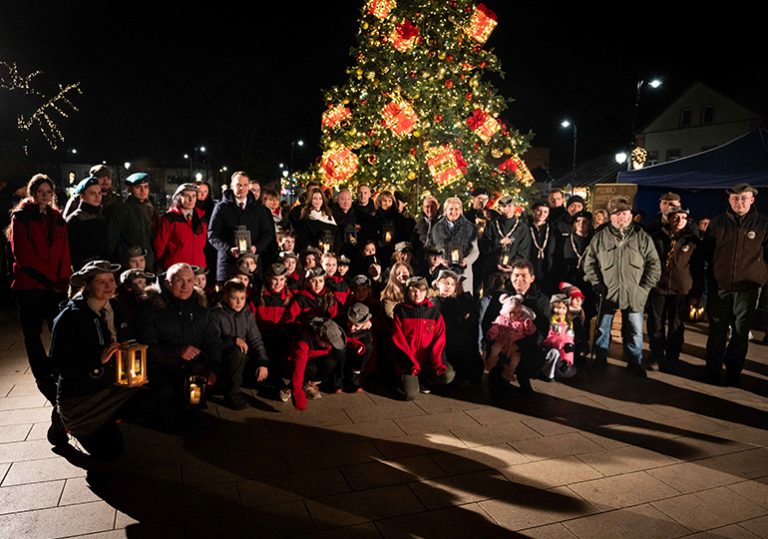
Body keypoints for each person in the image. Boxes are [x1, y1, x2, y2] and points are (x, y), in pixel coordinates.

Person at [49, 261, 153, 459]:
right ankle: (62, 423)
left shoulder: (116, 306)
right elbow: (58, 364)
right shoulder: (69, 317)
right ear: (86, 285)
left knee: (148, 400)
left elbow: (127, 337)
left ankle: (107, 421)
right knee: (110, 451)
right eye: (101, 282)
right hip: (82, 396)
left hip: (114, 385)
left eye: (111, 281)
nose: (109, 286)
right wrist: (97, 358)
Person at [8, 174, 72, 410]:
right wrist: (47, 277)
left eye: (48, 191)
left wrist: (63, 278)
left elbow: (65, 250)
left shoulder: (57, 218)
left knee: (58, 328)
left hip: (55, 285)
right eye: (41, 191)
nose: (45, 195)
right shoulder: (21, 216)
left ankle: (57, 365)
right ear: (32, 192)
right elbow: (22, 253)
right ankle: (40, 370)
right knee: (32, 332)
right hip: (31, 284)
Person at [583, 196, 661, 377]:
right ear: (611, 217)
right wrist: (596, 283)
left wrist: (644, 288)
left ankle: (634, 360)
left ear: (631, 215)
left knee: (634, 329)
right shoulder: (600, 237)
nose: (621, 218)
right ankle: (600, 357)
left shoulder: (642, 237)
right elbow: (590, 263)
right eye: (617, 214)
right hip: (608, 292)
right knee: (602, 327)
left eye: (625, 213)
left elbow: (654, 265)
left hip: (634, 293)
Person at [135, 263, 223, 413]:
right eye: (179, 281)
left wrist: (213, 369)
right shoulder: (151, 308)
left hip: (192, 367)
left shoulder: (200, 307)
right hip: (161, 367)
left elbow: (212, 341)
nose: (185, 286)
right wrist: (177, 351)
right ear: (168, 283)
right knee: (166, 396)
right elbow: (145, 347)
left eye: (189, 281)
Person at [703, 184, 768, 386]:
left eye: (743, 198)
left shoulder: (763, 224)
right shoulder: (718, 223)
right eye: (735, 198)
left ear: (752, 200)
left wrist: (760, 278)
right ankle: (712, 370)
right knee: (717, 331)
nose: (739, 202)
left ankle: (733, 372)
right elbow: (707, 253)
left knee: (740, 334)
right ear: (729, 200)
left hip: (748, 289)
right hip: (721, 287)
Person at [482, 259, 551, 395]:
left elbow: (543, 329)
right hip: (500, 342)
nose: (519, 279)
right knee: (496, 389)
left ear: (532, 278)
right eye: (516, 275)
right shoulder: (501, 296)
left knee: (535, 357)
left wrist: (520, 344)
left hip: (524, 346)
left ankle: (523, 375)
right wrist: (493, 340)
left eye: (523, 276)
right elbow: (487, 320)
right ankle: (499, 371)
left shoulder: (541, 300)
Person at [647, 207, 703, 373]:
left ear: (688, 220)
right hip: (658, 287)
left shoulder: (692, 241)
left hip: (681, 289)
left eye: (683, 217)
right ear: (669, 218)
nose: (679, 221)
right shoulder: (657, 236)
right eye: (676, 217)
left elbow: (698, 269)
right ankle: (656, 355)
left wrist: (696, 294)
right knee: (655, 324)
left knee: (676, 326)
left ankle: (672, 357)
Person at [392, 277, 455, 400]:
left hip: (426, 361)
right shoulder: (401, 311)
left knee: (448, 374)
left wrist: (438, 363)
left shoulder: (434, 312)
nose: (417, 294)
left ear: (426, 291)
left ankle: (424, 378)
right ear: (407, 291)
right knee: (410, 395)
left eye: (421, 290)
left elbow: (439, 339)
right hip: (408, 362)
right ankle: (404, 380)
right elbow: (398, 341)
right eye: (413, 290)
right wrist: (411, 363)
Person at [210, 279, 269, 409]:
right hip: (222, 359)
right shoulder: (216, 315)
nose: (239, 302)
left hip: (242, 361)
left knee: (261, 373)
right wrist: (232, 340)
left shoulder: (247, 315)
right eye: (234, 298)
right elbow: (212, 343)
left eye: (242, 298)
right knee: (238, 352)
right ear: (225, 296)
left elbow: (256, 340)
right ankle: (232, 395)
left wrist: (262, 363)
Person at [208, 171, 275, 283]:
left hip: (252, 263)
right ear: (231, 186)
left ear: (249, 186)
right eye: (238, 184)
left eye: (245, 185)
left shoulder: (259, 209)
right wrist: (228, 249)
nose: (242, 188)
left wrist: (256, 247)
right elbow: (212, 235)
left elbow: (268, 233)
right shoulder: (221, 208)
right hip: (229, 263)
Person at [283, 318, 346, 410]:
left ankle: (309, 383)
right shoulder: (303, 341)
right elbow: (298, 369)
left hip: (313, 358)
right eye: (328, 343)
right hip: (292, 361)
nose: (330, 346)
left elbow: (344, 340)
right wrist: (297, 394)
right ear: (319, 337)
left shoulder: (328, 332)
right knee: (310, 368)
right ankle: (293, 386)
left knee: (332, 360)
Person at [430, 197, 480, 295]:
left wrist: (466, 261)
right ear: (445, 210)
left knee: (462, 302)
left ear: (461, 210)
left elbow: (475, 251)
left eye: (457, 209)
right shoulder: (437, 228)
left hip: (463, 272)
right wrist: (440, 260)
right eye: (451, 209)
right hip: (444, 273)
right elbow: (431, 249)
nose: (454, 212)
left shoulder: (470, 228)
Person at [107, 172, 156, 269]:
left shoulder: (150, 208)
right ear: (130, 189)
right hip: (129, 261)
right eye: (138, 187)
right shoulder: (122, 209)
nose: (143, 191)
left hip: (147, 261)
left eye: (146, 187)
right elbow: (112, 238)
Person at [153, 183, 208, 270]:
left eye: (193, 196)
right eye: (187, 196)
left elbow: (203, 245)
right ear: (179, 198)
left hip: (198, 268)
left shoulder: (201, 218)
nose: (191, 200)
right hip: (176, 269)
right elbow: (159, 246)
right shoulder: (170, 218)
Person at [484, 293, 537, 383]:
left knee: (516, 357)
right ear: (507, 312)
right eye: (513, 312)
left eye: (519, 312)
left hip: (514, 345)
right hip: (502, 341)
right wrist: (491, 334)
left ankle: (509, 371)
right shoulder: (501, 319)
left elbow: (530, 332)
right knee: (495, 348)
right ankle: (491, 361)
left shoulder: (523, 322)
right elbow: (495, 327)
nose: (516, 314)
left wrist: (529, 326)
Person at [483, 195, 530, 289]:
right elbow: (484, 247)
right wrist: (498, 242)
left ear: (515, 207)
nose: (507, 209)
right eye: (504, 206)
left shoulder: (522, 228)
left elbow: (524, 251)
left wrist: (512, 265)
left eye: (510, 206)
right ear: (500, 208)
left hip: (512, 273)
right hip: (492, 271)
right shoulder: (492, 224)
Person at [66, 175, 109, 271]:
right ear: (82, 196)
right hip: (84, 269)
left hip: (102, 266)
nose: (97, 197)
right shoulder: (75, 220)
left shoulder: (101, 217)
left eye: (99, 193)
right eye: (92, 193)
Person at [527, 201, 556, 294]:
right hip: (530, 266)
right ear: (533, 211)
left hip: (547, 268)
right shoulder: (525, 227)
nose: (542, 214)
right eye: (538, 211)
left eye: (545, 212)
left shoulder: (552, 229)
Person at [297, 187, 337, 252]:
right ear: (310, 200)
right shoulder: (306, 218)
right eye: (315, 198)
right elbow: (303, 238)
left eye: (320, 198)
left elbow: (336, 234)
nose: (318, 201)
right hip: (313, 253)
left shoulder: (328, 215)